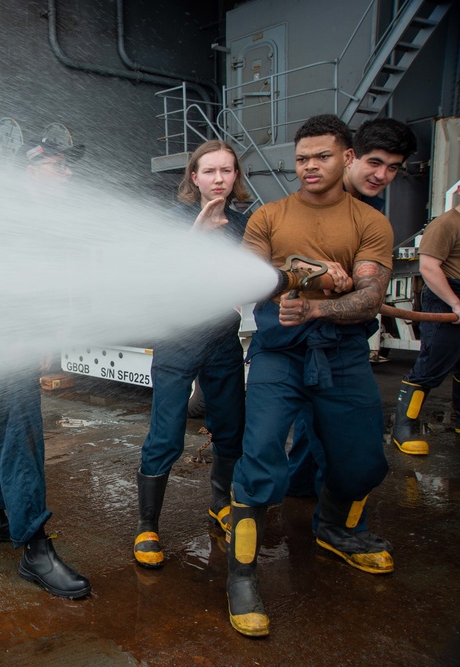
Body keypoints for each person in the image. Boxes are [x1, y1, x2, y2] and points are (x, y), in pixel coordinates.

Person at [227, 114, 394, 637]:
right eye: (302, 159)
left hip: (342, 354)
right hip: (279, 354)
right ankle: (242, 574)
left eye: (321, 156)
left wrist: (320, 308)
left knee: (362, 460)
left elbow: (370, 298)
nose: (310, 167)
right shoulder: (268, 217)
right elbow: (246, 280)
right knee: (261, 459)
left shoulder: (370, 222)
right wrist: (304, 271)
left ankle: (337, 532)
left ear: (346, 157)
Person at [0, 137, 90, 599]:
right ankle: (35, 549)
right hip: (2, 340)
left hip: (2, 338)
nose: (68, 174)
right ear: (30, 169)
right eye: (59, 166)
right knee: (22, 434)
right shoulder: (7, 212)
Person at [133, 140, 249, 569]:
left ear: (235, 176)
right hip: (179, 339)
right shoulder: (173, 220)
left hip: (222, 337)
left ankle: (220, 503)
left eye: (227, 170)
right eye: (210, 171)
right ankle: (148, 524)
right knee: (166, 433)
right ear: (194, 177)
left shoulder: (242, 224)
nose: (219, 178)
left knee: (230, 426)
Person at [287, 117, 417, 492]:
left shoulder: (369, 212)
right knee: (342, 433)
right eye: (374, 163)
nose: (382, 175)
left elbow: (367, 289)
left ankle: (303, 495)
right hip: (308, 337)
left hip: (344, 335)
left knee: (324, 432)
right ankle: (327, 513)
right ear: (349, 157)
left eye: (393, 168)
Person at [392, 198, 460, 455]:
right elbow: (429, 268)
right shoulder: (445, 224)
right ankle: (403, 428)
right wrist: (455, 303)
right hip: (446, 296)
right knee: (432, 364)